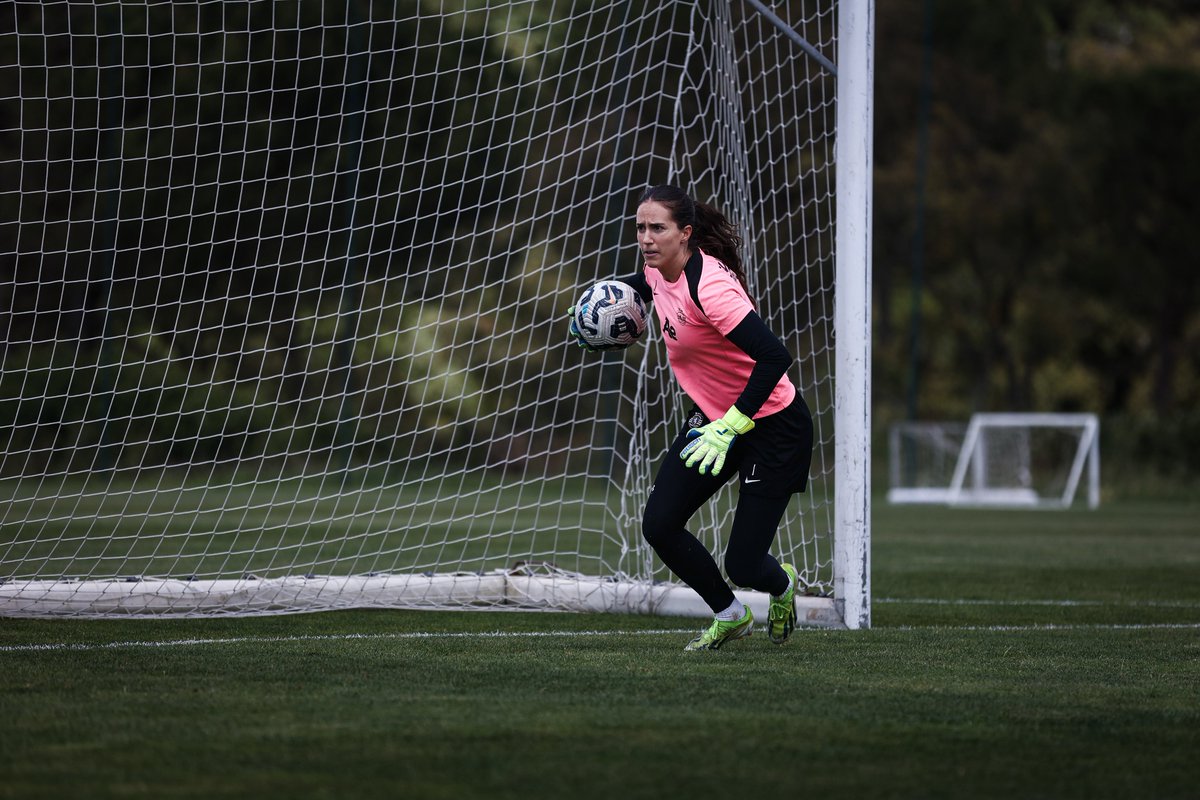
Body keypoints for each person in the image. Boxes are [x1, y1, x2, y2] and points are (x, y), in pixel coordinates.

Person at [569, 184, 814, 651]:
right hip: (712, 419)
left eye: (657, 228)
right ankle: (729, 613)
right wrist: (593, 312)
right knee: (659, 525)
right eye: (640, 227)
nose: (646, 237)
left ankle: (781, 585)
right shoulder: (657, 269)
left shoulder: (713, 287)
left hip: (773, 425)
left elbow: (774, 357)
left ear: (685, 233)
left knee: (744, 565)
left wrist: (733, 424)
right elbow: (636, 290)